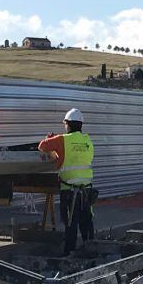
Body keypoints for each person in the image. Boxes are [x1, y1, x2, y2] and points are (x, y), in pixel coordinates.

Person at [38, 108, 94, 254]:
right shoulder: (87, 140)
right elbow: (76, 155)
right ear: (81, 124)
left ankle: (69, 252)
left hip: (69, 191)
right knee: (86, 221)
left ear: (67, 124)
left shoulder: (62, 140)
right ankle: (92, 248)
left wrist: (52, 140)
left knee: (70, 223)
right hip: (87, 190)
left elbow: (42, 146)